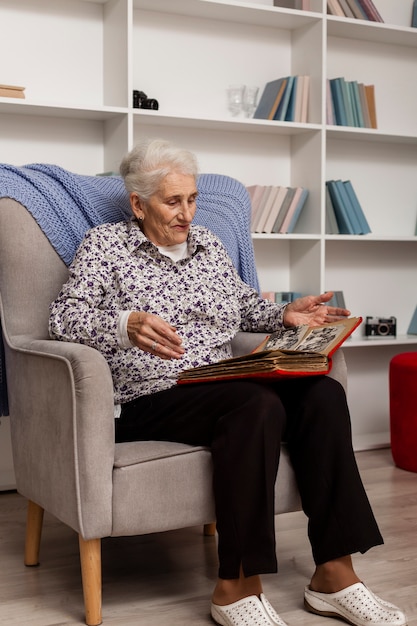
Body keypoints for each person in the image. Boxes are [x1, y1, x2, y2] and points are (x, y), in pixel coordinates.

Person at [49, 139, 406, 626]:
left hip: (223, 381)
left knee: (321, 392)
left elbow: (241, 307)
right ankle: (236, 586)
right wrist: (124, 324)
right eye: (172, 202)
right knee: (254, 405)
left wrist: (284, 313)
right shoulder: (106, 246)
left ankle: (335, 574)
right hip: (152, 393)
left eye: (192, 199)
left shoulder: (209, 246)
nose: (187, 213)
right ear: (138, 203)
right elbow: (63, 317)